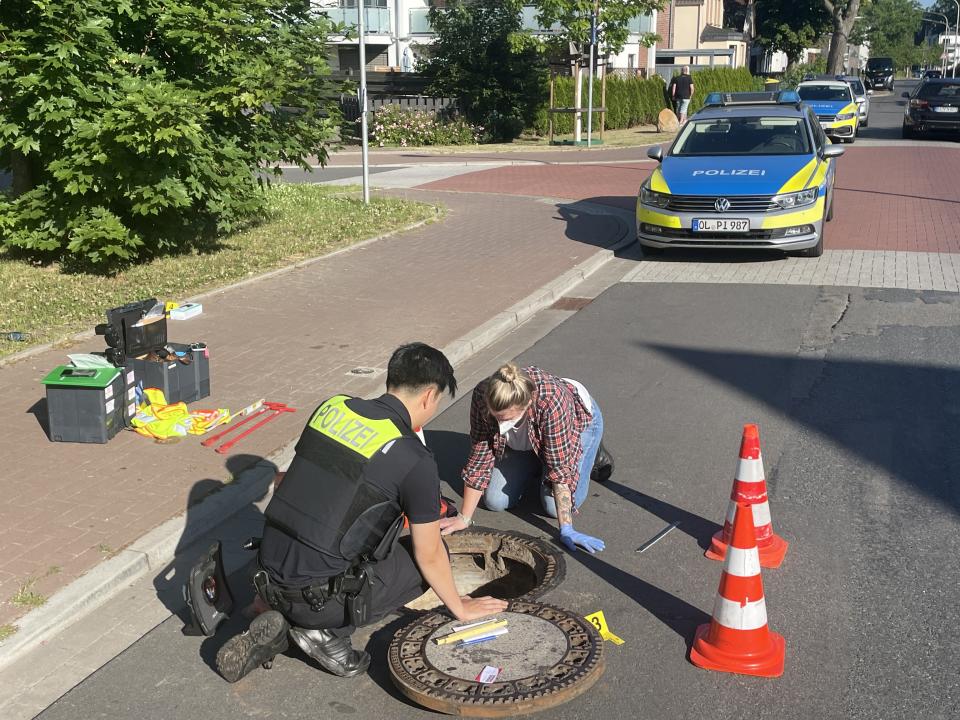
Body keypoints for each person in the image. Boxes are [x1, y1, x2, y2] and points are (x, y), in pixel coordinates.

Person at [216, 343, 508, 682]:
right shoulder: (414, 458)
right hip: (317, 601)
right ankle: (323, 632)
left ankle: (275, 609)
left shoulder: (332, 408)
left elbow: (293, 484)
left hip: (266, 574)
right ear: (429, 395)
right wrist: (460, 607)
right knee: (429, 555)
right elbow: (428, 554)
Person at [440, 363, 613, 554]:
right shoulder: (483, 394)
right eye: (495, 417)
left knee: (552, 508)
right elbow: (480, 456)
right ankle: (538, 454)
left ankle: (591, 452)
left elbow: (560, 470)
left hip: (575, 422)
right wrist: (464, 517)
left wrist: (567, 529)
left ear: (528, 403)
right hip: (526, 436)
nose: (499, 424)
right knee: (496, 501)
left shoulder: (552, 402)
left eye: (506, 418)